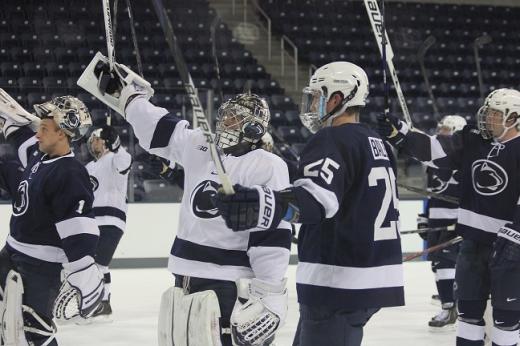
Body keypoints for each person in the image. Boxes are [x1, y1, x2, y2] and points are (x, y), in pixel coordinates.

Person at [78, 56, 292, 346]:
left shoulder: (268, 165)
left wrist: (270, 292)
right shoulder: (201, 145)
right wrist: (127, 96)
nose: (224, 122)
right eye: (225, 115)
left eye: (235, 118)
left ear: (253, 129)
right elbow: (157, 126)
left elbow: (272, 232)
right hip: (184, 276)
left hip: (229, 282)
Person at [214, 61, 405, 346]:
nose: (311, 104)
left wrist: (263, 203)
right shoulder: (376, 141)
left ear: (337, 99)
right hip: (371, 278)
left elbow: (316, 203)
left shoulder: (331, 138)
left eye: (317, 97)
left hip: (338, 282)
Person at [377, 88, 520, 346]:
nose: (488, 118)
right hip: (473, 245)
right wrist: (403, 136)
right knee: (467, 317)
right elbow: (438, 151)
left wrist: (513, 240)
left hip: (511, 252)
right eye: (487, 113)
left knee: (505, 321)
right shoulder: (475, 140)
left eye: (495, 114)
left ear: (514, 119)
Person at [0, 90, 104, 345]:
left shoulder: (70, 172)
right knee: (5, 325)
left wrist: (83, 273)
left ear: (62, 133)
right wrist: (10, 118)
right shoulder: (39, 155)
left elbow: (78, 227)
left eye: (44, 128)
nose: (38, 132)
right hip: (11, 252)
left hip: (41, 267)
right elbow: (20, 134)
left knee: (34, 332)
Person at [417, 115, 466, 329]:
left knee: (448, 263)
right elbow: (432, 193)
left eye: (446, 130)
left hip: (455, 221)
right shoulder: (433, 161)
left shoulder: (464, 159)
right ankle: (449, 298)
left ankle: (450, 307)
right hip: (437, 219)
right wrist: (424, 219)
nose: (441, 133)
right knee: (438, 264)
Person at [85, 125, 132, 321]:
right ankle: (102, 303)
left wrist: (117, 145)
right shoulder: (89, 167)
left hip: (112, 220)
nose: (91, 143)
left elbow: (125, 162)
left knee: (98, 264)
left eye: (95, 138)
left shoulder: (116, 158)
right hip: (91, 220)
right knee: (94, 264)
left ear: (104, 141)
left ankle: (100, 304)